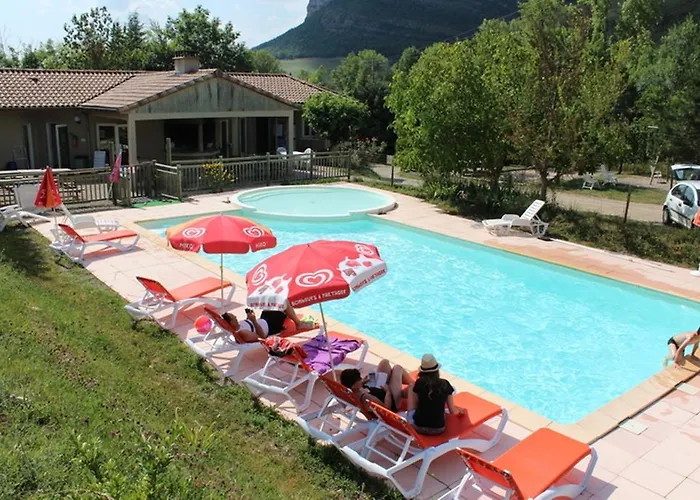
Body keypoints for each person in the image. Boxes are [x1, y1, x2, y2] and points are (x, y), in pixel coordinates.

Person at [408, 354, 463, 436]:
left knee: (411, 386)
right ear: (437, 371)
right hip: (438, 429)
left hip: (418, 426)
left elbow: (414, 405)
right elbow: (453, 411)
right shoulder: (445, 384)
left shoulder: (419, 383)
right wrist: (460, 412)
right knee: (446, 396)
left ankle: (409, 418)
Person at [340, 360, 414, 413]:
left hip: (379, 388)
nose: (361, 379)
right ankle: (415, 385)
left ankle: (411, 386)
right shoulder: (366, 397)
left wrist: (364, 382)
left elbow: (358, 387)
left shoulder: (354, 390)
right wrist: (388, 392)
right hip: (392, 401)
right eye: (359, 379)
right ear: (353, 386)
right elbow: (386, 410)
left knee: (384, 362)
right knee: (397, 368)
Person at [221, 301, 309, 343]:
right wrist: (254, 321)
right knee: (284, 302)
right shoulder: (243, 333)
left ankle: (289, 314)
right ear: (231, 323)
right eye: (233, 317)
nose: (236, 316)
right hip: (271, 326)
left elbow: (251, 326)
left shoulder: (237, 326)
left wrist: (250, 317)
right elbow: (261, 337)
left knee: (272, 300)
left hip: (263, 319)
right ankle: (298, 324)